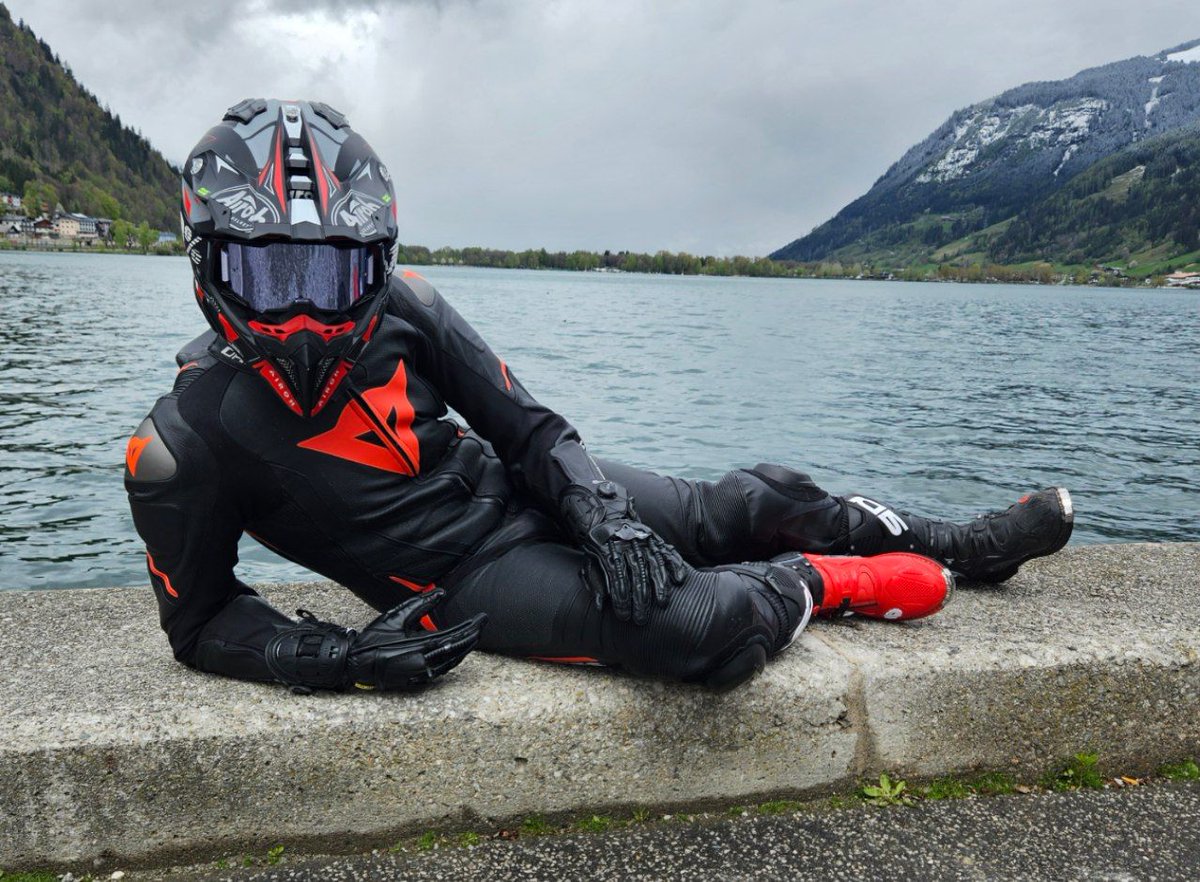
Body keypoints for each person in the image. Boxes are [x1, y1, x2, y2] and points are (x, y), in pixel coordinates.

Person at [125, 99, 1074, 694]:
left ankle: (966, 545)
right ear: (212, 268)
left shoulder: (411, 309)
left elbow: (526, 428)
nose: (301, 320)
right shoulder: (182, 445)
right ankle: (831, 583)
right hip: (460, 579)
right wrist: (337, 661)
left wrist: (599, 514)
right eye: (272, 278)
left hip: (520, 491)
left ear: (375, 266)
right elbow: (201, 620)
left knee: (759, 501)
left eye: (328, 282)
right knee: (702, 628)